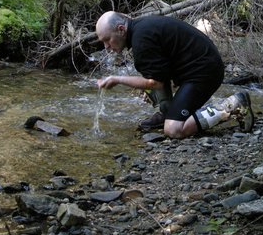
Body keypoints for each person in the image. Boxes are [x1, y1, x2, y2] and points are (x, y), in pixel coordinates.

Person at [95, 11, 254, 139]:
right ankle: (168, 112)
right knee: (149, 86)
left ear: (121, 29)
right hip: (200, 66)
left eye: (107, 40)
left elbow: (154, 83)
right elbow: (159, 76)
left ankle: (232, 104)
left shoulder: (141, 40)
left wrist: (118, 79)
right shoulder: (141, 29)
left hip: (204, 72)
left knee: (174, 130)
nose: (106, 46)